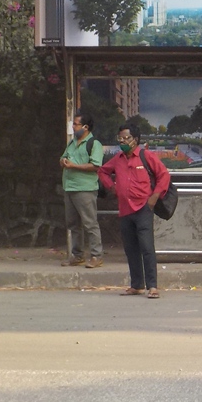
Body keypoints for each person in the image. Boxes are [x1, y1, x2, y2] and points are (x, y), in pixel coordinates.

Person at [98, 124, 170, 299]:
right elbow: (102, 171)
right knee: (130, 248)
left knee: (147, 247)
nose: (122, 141)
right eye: (120, 138)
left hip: (143, 208)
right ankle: (137, 285)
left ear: (135, 140)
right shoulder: (118, 159)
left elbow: (164, 175)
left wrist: (154, 197)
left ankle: (152, 286)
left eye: (126, 138)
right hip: (125, 209)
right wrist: (111, 187)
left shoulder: (146, 156)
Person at [59, 111, 104, 268]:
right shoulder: (72, 143)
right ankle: (77, 255)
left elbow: (96, 165)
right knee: (73, 224)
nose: (73, 127)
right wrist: (63, 161)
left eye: (76, 124)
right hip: (69, 187)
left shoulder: (94, 144)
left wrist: (74, 166)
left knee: (90, 223)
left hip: (85, 188)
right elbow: (63, 157)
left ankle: (96, 255)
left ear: (85, 127)